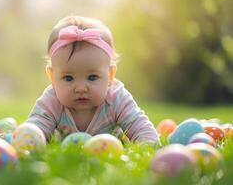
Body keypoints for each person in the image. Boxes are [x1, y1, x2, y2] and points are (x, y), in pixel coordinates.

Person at [26, 15, 159, 144]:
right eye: (68, 78)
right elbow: (36, 127)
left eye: (92, 77)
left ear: (110, 75)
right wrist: (26, 141)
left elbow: (139, 125)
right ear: (52, 77)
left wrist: (148, 144)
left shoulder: (116, 99)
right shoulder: (52, 101)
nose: (81, 88)